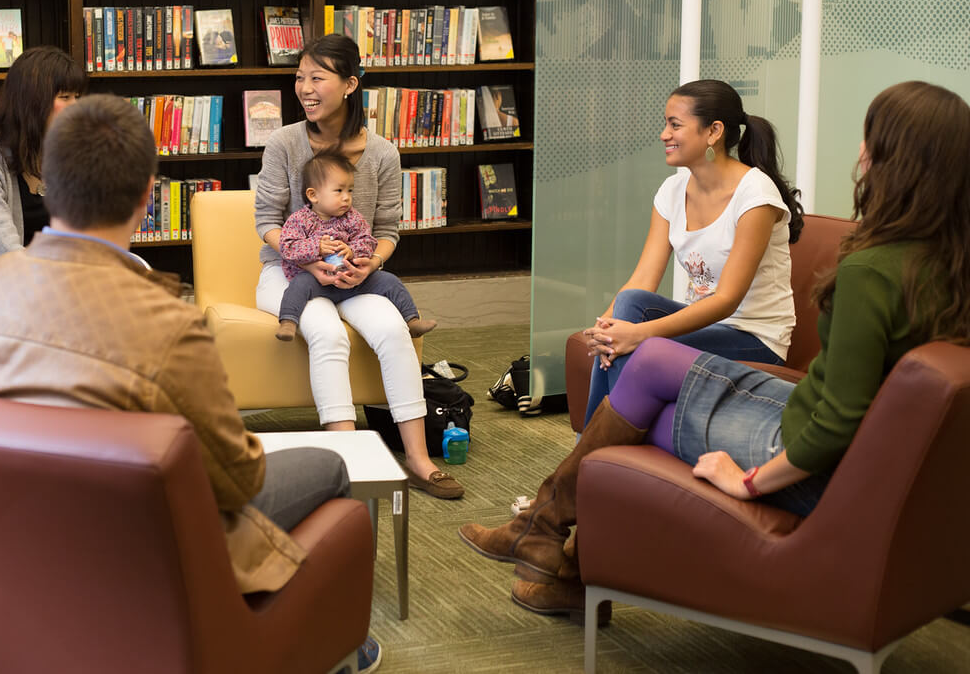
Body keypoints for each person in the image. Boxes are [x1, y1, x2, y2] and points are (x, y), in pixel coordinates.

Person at [459, 81, 970, 619]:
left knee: (640, 394)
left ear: (899, 163)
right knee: (642, 347)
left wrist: (748, 482)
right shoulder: (946, 263)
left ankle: (557, 541)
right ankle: (548, 534)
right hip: (862, 448)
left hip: (815, 440)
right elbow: (853, 402)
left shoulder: (869, 268)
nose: (861, 155)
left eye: (871, 142)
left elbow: (836, 422)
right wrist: (617, 327)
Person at [0, 94, 381, 673]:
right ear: (149, 194)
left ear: (50, 181)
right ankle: (328, 642)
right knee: (331, 466)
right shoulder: (166, 322)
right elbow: (235, 478)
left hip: (20, 548)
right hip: (133, 545)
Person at [254, 33, 464, 500]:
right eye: (299, 78)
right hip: (291, 273)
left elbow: (388, 228)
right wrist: (309, 259)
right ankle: (348, 462)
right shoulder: (285, 143)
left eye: (317, 77)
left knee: (394, 330)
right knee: (326, 334)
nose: (305, 88)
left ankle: (418, 460)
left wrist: (371, 265)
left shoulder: (384, 153)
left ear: (349, 85)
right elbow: (266, 221)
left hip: (354, 272)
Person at [580, 79, 804, 427]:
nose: (663, 134)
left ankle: (591, 451)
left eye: (675, 125)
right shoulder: (672, 190)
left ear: (714, 131)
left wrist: (639, 334)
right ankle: (598, 450)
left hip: (754, 340)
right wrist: (605, 327)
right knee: (627, 310)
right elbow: (642, 279)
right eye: (665, 123)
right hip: (705, 327)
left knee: (633, 335)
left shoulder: (755, 194)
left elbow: (727, 300)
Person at [276, 150, 437, 341]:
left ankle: (411, 321)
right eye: (339, 190)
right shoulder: (300, 220)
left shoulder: (353, 218)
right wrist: (316, 247)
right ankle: (288, 322)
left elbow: (368, 241)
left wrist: (352, 250)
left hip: (354, 279)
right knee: (298, 286)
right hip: (316, 280)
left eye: (349, 190)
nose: (346, 197)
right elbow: (287, 247)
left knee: (389, 281)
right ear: (313, 195)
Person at [0, 45, 86, 272]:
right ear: (32, 103)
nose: (76, 107)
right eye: (65, 97)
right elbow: (6, 248)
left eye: (77, 97)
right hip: (1, 286)